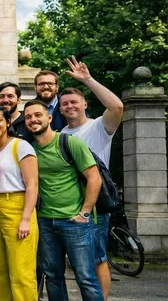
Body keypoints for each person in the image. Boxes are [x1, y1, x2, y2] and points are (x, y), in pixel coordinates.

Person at [23, 100, 103, 301]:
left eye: (37, 115)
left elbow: (94, 178)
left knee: (85, 277)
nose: (33, 120)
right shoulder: (30, 150)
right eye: (28, 117)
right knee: (53, 277)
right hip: (45, 221)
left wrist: (84, 212)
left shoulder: (69, 142)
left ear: (49, 118)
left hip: (74, 221)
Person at [58, 56, 124, 300]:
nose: (69, 106)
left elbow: (117, 107)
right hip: (70, 204)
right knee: (80, 263)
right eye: (64, 104)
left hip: (95, 204)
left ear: (85, 104)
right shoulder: (60, 134)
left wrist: (88, 79)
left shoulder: (99, 127)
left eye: (74, 102)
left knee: (97, 258)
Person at [0, 104, 39, 301]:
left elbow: (32, 185)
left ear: (7, 122)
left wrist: (25, 219)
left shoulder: (20, 146)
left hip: (17, 205)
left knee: (21, 272)